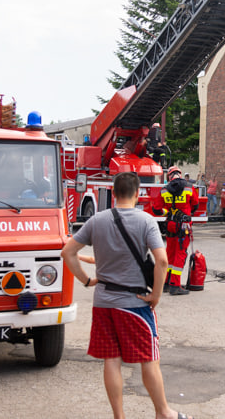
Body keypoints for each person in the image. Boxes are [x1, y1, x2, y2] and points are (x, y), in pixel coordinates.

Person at [61, 172, 192, 419]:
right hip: (134, 305)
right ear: (137, 193)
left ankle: (119, 417)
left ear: (113, 193)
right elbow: (162, 261)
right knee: (148, 359)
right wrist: (156, 294)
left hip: (103, 303)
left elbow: (68, 252)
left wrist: (87, 280)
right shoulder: (146, 221)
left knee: (111, 360)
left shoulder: (96, 221)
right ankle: (164, 413)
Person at [150, 166, 199, 296]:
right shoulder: (189, 187)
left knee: (170, 253)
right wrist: (186, 214)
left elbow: (156, 209)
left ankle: (166, 282)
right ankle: (175, 285)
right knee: (181, 253)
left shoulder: (164, 190)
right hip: (184, 225)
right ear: (180, 174)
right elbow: (195, 204)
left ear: (169, 177)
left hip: (170, 224)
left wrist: (167, 212)